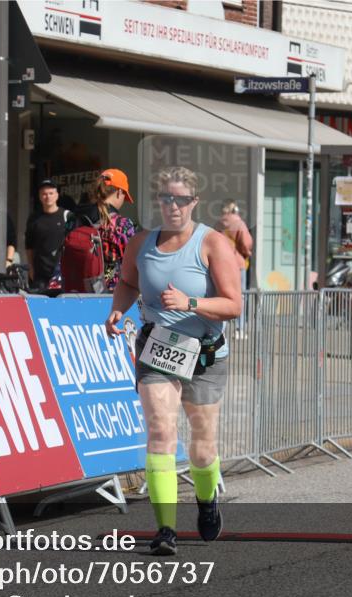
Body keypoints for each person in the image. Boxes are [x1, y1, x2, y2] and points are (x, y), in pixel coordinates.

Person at [105, 167, 243, 556]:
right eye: (167, 198)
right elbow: (128, 283)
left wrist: (191, 303)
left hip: (205, 353)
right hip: (158, 349)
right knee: (161, 432)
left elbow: (234, 304)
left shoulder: (212, 244)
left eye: (181, 199)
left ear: (194, 202)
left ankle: (206, 499)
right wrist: (118, 310)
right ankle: (165, 529)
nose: (173, 206)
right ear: (159, 202)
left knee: (201, 445)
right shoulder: (141, 243)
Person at [74, 169, 137, 291]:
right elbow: (134, 265)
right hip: (109, 294)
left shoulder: (74, 217)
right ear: (119, 192)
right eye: (124, 195)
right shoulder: (121, 224)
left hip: (76, 290)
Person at [25, 179, 69, 289]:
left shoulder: (67, 216)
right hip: (40, 274)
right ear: (40, 197)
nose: (48, 197)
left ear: (57, 195)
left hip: (62, 273)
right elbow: (29, 245)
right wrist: (31, 267)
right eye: (44, 194)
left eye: (51, 193)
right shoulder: (34, 219)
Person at [217, 200, 253, 332]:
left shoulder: (218, 224)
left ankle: (223, 328)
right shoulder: (239, 223)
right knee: (240, 295)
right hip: (237, 263)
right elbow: (246, 243)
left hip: (221, 263)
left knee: (223, 294)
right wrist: (247, 252)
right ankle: (240, 328)